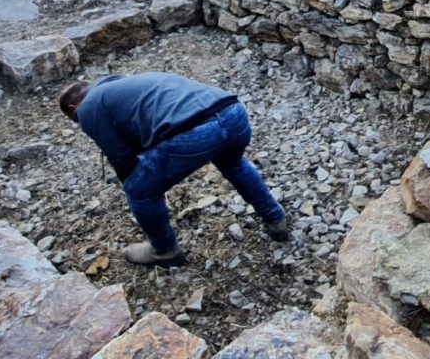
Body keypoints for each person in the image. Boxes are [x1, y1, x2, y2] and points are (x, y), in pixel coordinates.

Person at [58, 72, 288, 267]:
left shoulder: (87, 108)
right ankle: (275, 218)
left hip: (196, 132)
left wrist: (132, 181)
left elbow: (122, 158)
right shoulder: (123, 85)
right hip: (234, 113)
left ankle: (164, 250)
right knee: (234, 164)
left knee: (139, 191)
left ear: (72, 108)